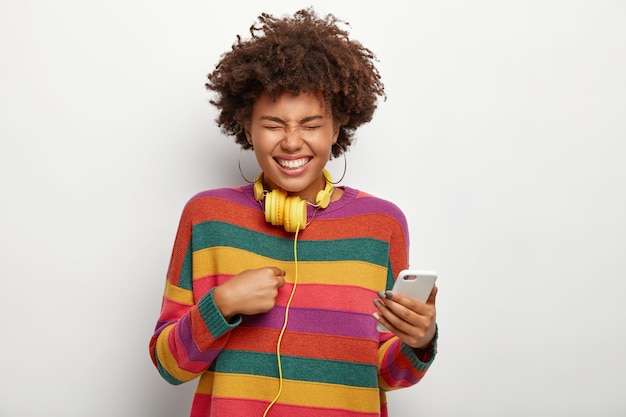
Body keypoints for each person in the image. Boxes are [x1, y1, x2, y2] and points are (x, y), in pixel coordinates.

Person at [149, 8, 438, 417]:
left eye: (311, 124)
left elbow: (387, 376)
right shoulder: (208, 216)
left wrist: (419, 340)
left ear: (336, 129)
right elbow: (168, 365)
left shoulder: (381, 225)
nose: (291, 142)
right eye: (272, 124)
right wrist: (224, 303)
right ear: (247, 128)